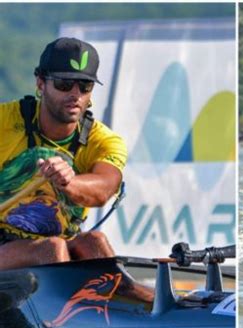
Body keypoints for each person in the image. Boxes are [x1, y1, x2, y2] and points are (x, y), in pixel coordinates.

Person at [0, 38, 152, 301]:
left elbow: (105, 188)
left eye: (85, 85)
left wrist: (69, 183)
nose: (75, 94)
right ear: (40, 83)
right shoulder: (5, 122)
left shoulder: (104, 140)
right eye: (63, 84)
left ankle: (149, 304)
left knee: (93, 242)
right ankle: (70, 318)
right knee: (52, 247)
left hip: (52, 248)